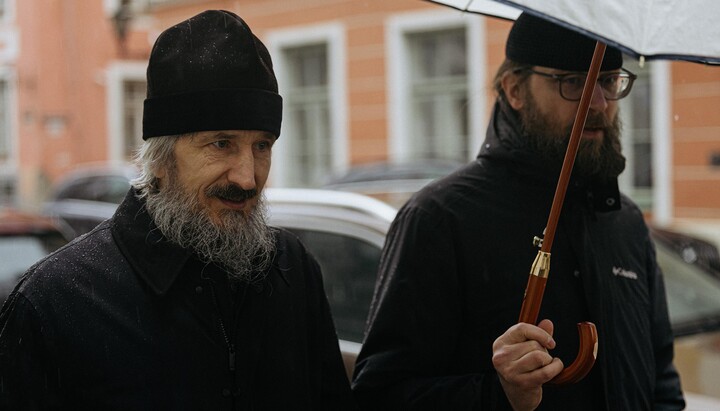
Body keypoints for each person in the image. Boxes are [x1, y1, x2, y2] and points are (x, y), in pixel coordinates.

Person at [0, 10, 354, 410]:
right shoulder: (58, 301)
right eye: (221, 144)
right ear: (161, 158)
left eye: (262, 146)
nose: (248, 178)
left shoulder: (292, 270)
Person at [352, 13, 685, 411]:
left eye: (609, 81)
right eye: (573, 83)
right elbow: (381, 396)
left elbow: (661, 381)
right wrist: (499, 395)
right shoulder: (439, 219)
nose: (599, 104)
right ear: (514, 89)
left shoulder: (625, 221)